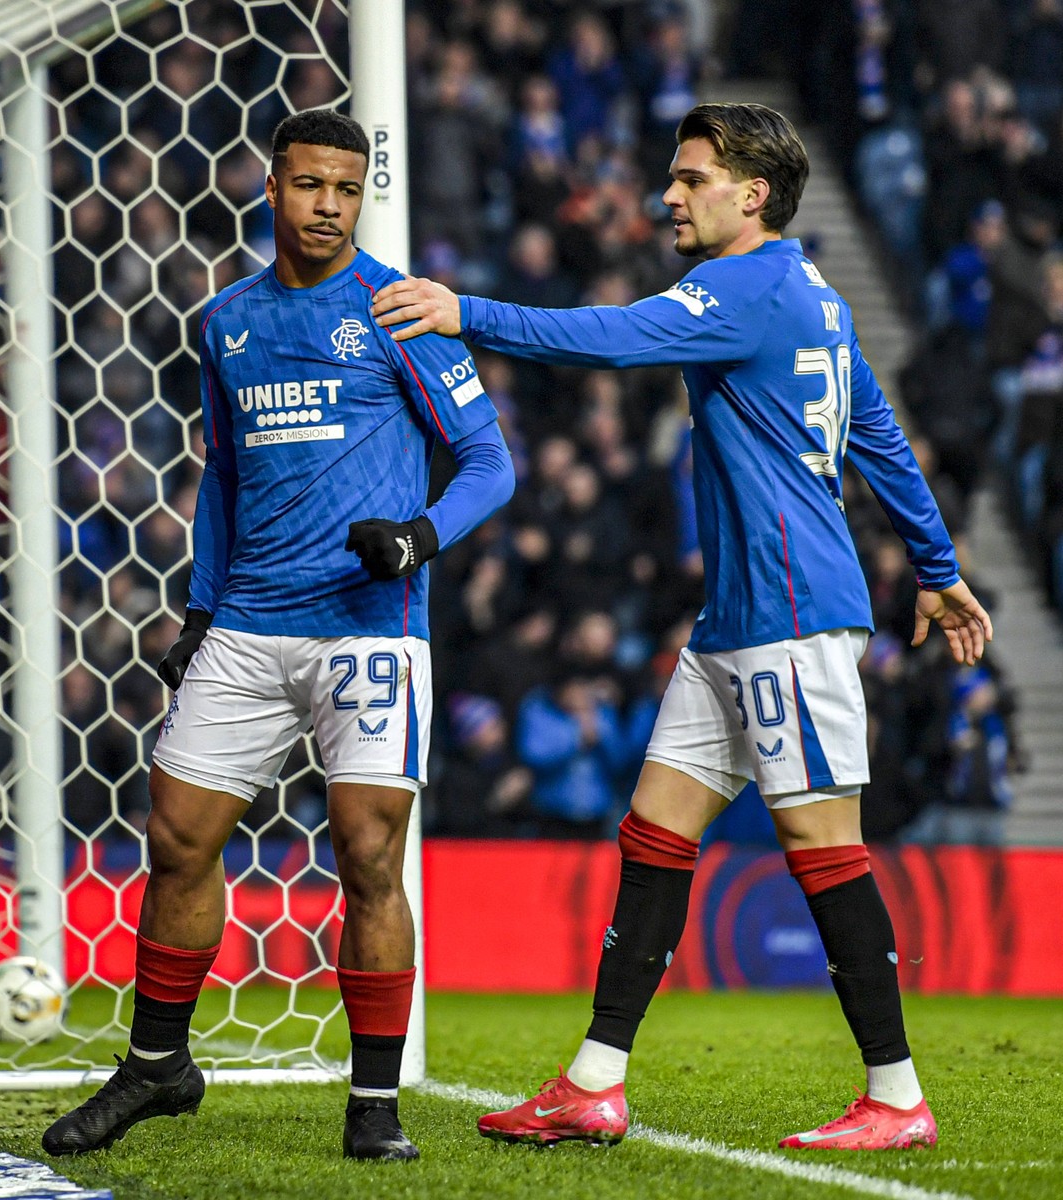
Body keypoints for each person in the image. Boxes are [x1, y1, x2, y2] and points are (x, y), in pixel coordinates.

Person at [372, 102, 993, 1151]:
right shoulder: (816, 296)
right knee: (655, 830)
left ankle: (897, 1097)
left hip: (788, 614)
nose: (670, 192)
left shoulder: (741, 287)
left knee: (821, 846)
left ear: (751, 195)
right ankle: (595, 1081)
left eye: (690, 176)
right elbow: (878, 435)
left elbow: (612, 339)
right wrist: (936, 569)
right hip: (734, 625)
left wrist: (462, 310)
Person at [41, 109, 515, 1162]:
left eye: (346, 189)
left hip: (370, 628)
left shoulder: (399, 311)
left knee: (367, 854)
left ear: (362, 193)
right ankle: (160, 1067)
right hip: (249, 621)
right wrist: (200, 608)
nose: (328, 206)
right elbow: (224, 477)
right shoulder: (226, 322)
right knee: (176, 838)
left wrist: (419, 536)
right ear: (272, 185)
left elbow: (491, 461)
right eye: (309, 185)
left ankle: (374, 1105)